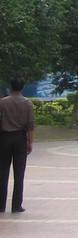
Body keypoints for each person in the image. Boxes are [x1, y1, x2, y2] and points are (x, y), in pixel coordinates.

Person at [0, 77, 35, 214]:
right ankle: (16, 205)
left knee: (2, 172)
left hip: (4, 138)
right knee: (19, 173)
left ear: (10, 86)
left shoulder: (2, 102)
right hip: (20, 138)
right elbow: (30, 124)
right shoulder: (27, 103)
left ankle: (1, 204)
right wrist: (30, 142)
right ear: (23, 87)